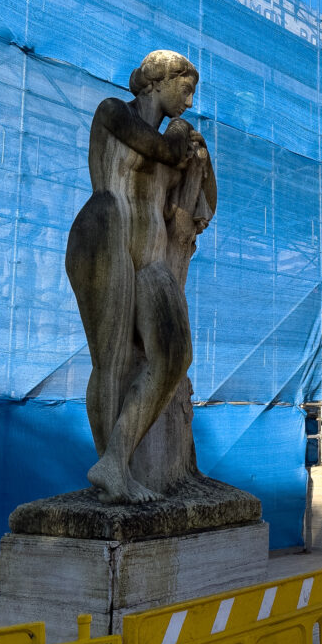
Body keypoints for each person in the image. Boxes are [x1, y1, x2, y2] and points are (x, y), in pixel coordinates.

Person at [65, 50, 207, 504]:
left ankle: (114, 459)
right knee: (112, 360)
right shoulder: (113, 112)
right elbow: (160, 147)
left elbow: (206, 201)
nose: (189, 100)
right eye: (184, 88)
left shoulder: (174, 144)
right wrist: (182, 138)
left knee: (174, 355)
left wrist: (200, 158)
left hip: (150, 259)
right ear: (157, 81)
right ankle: (115, 470)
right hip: (104, 232)